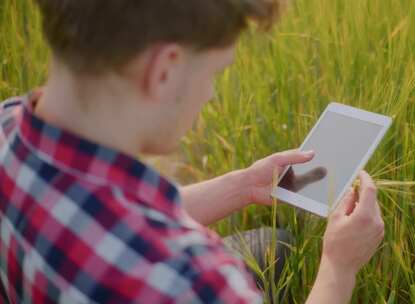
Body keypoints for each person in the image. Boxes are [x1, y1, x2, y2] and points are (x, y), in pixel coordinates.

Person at [0, 0, 385, 303]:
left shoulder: (7, 124)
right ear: (165, 71)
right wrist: (339, 267)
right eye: (214, 73)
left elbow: (98, 212)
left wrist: (244, 185)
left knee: (273, 244)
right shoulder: (189, 281)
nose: (211, 93)